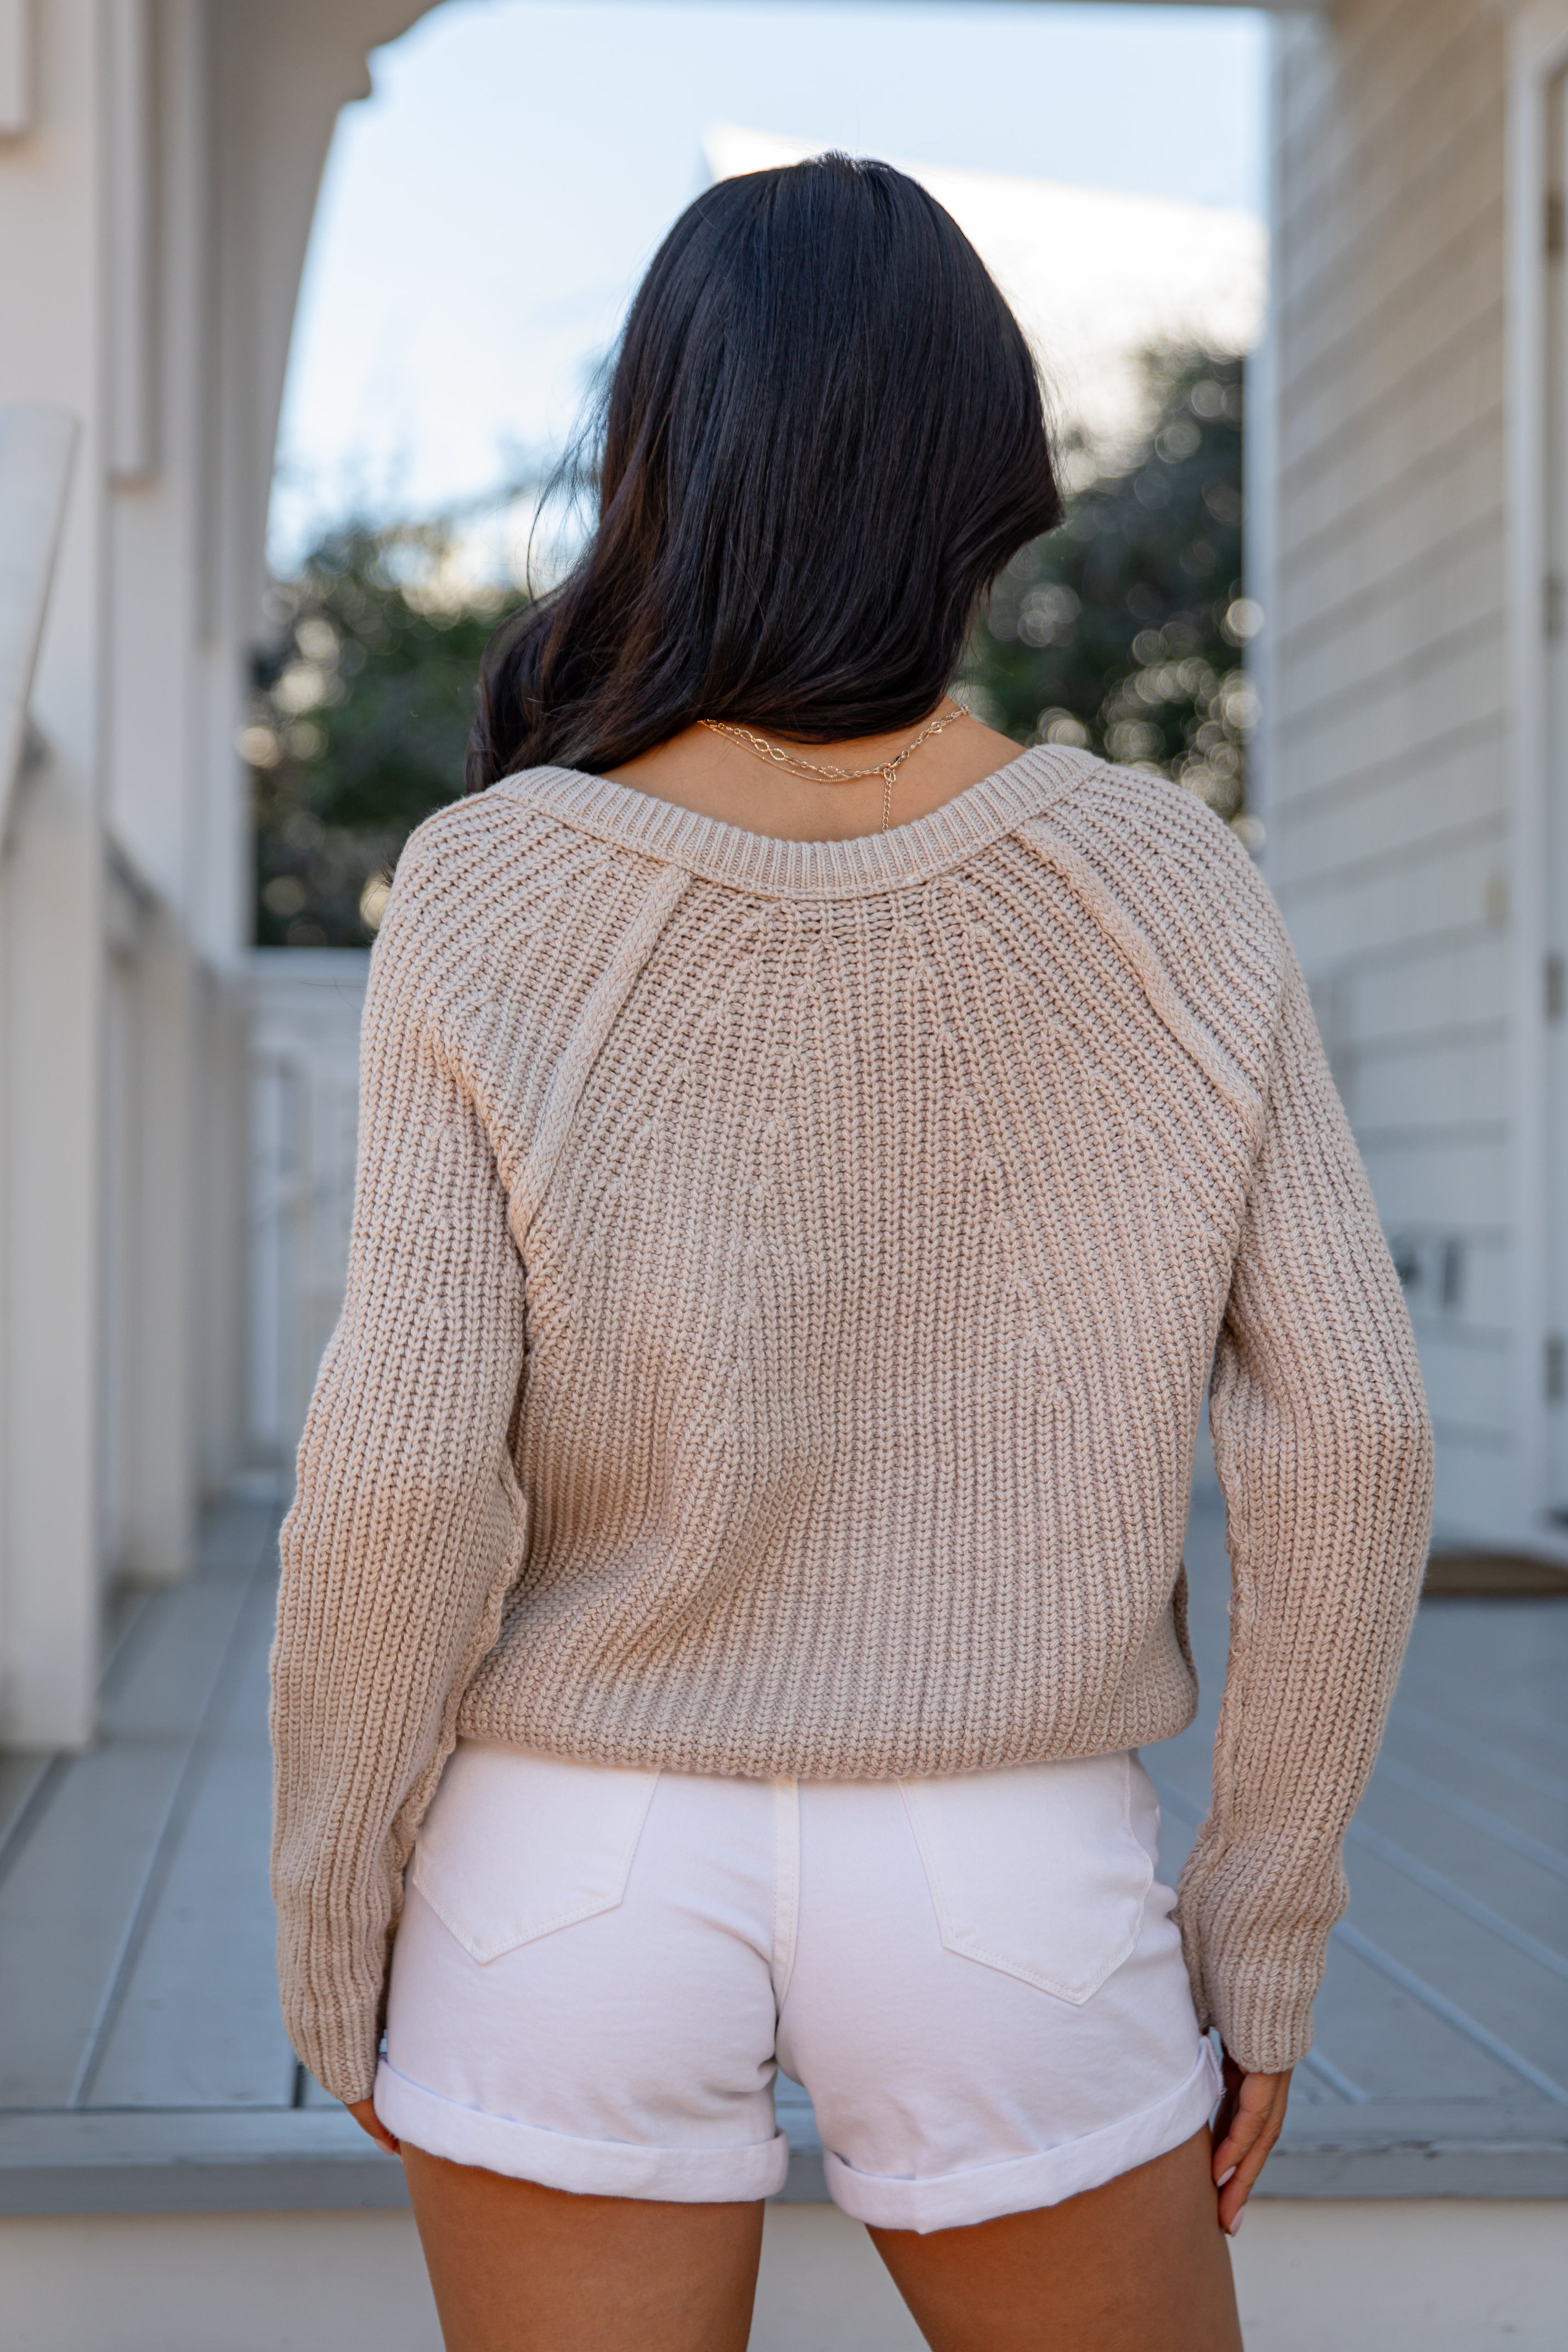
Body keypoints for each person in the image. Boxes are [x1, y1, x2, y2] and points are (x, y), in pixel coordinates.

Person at [270, 155, 1433, 2352]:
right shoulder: (1162, 879)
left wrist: (340, 1901)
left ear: (659, 452)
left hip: (566, 1863)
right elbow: (1357, 1429)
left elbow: (404, 1467)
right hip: (1006, 1870)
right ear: (990, 469)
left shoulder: (494, 885)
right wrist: (1258, 1918)